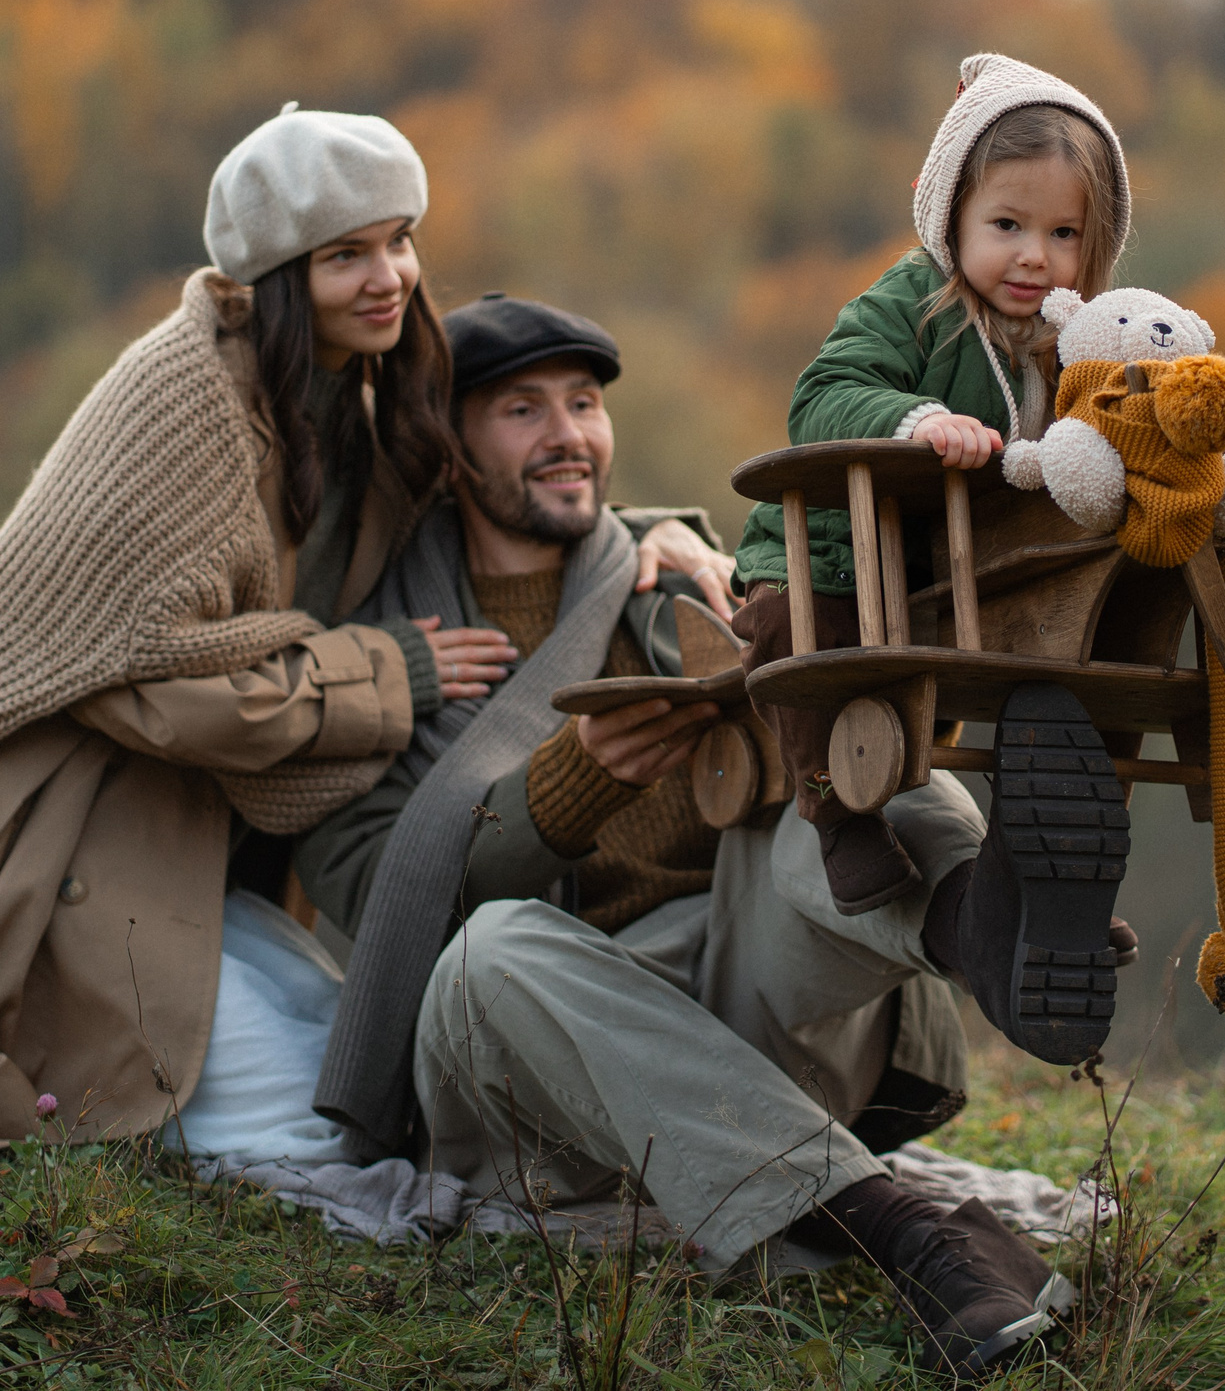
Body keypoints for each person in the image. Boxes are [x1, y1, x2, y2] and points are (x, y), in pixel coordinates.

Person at [0, 107, 708, 1146]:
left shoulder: (340, 408)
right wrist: (384, 672)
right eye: (344, 254)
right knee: (302, 1132)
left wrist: (642, 537)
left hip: (163, 839)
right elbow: (143, 669)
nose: (388, 276)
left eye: (399, 241)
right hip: (27, 827)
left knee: (350, 1072)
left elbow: (503, 496)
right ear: (276, 273)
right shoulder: (185, 397)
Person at [273, 293, 1082, 1379]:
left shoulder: (678, 577)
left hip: (736, 1010)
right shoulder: (374, 658)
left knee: (841, 756)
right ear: (447, 450)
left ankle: (984, 920)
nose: (569, 434)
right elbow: (377, 900)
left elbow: (816, 767)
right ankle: (904, 1230)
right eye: (521, 410)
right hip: (541, 1074)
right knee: (494, 950)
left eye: (582, 403)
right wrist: (566, 790)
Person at [727, 53, 1141, 1065]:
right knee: (800, 641)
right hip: (832, 555)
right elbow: (822, 393)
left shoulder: (1073, 339)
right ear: (951, 218)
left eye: (1063, 233)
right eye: (1006, 226)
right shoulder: (914, 301)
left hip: (950, 583)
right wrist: (915, 419)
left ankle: (1043, 888)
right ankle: (835, 814)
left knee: (1069, 681)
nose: (1033, 256)